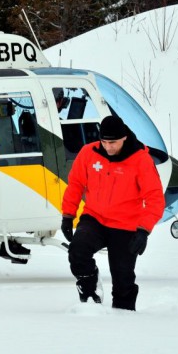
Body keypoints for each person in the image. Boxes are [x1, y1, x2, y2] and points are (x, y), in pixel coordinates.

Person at [60, 115, 165, 311]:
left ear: (124, 138)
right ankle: (91, 294)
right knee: (77, 252)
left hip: (126, 225)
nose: (108, 147)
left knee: (123, 278)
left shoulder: (141, 159)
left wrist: (143, 231)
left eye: (113, 142)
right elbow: (75, 184)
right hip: (94, 218)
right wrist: (68, 215)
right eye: (104, 142)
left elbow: (155, 198)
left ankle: (124, 318)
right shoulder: (88, 152)